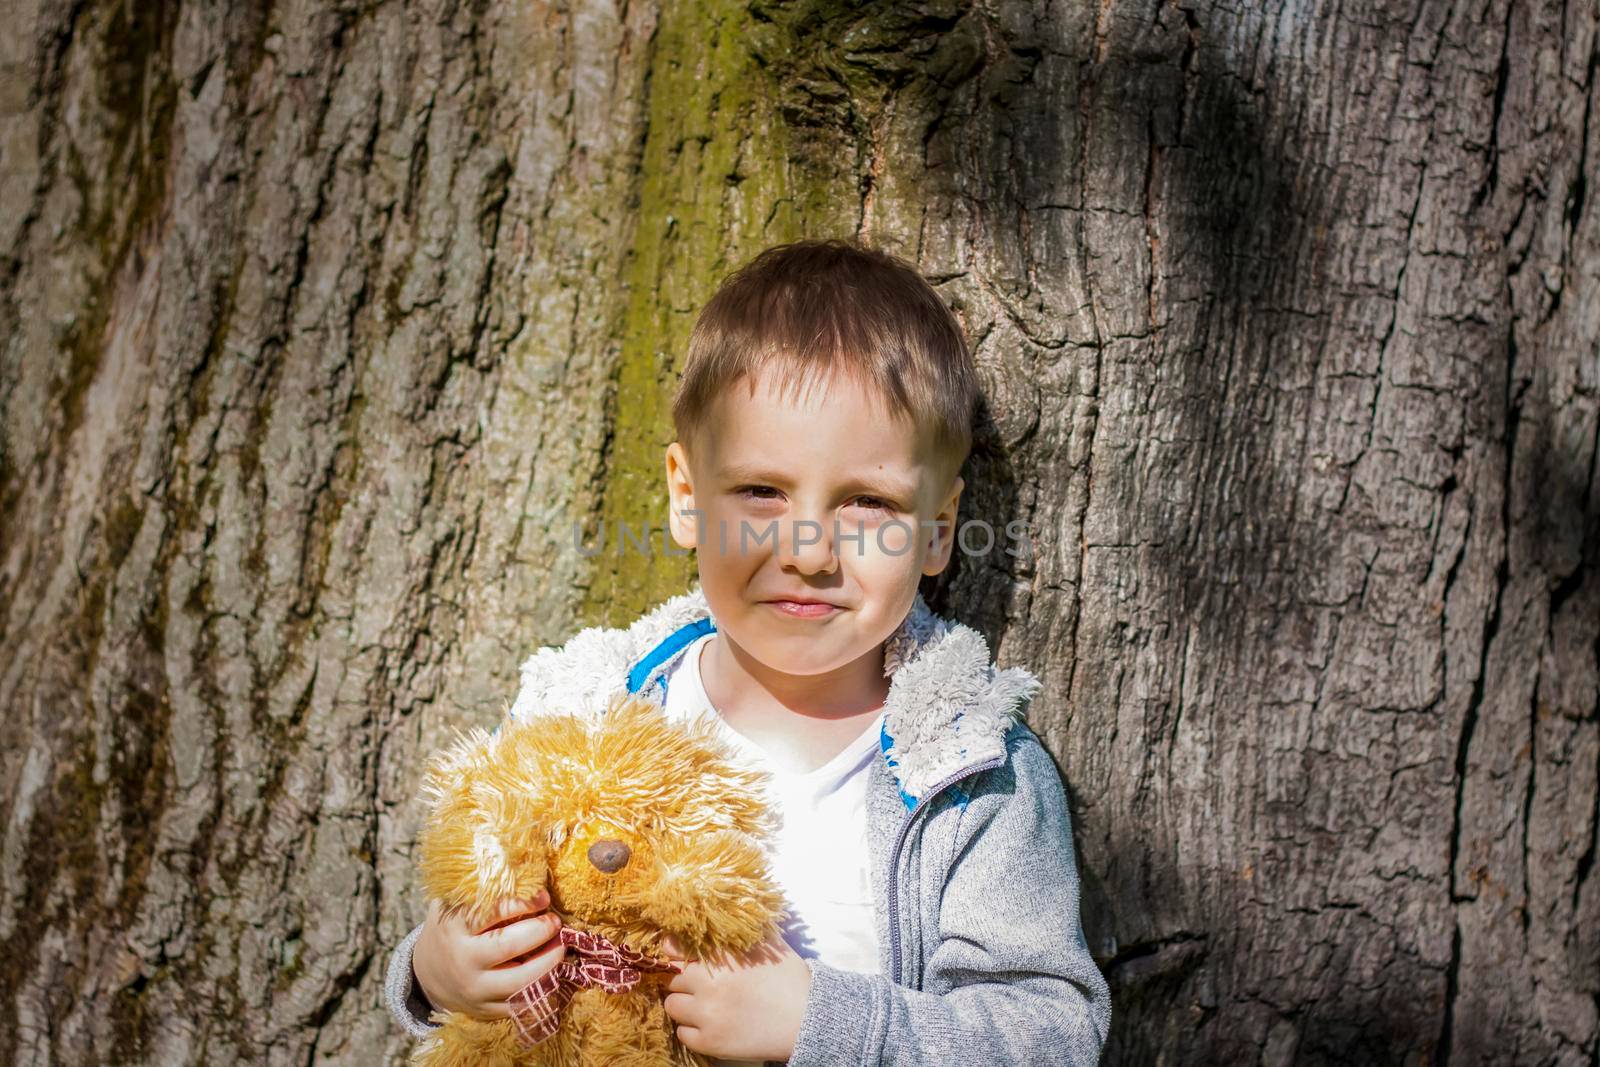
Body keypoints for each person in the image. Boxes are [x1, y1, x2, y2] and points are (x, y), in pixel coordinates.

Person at [383, 238, 1112, 1065]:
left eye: (868, 502)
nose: (808, 551)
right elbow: (479, 907)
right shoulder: (586, 714)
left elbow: (1050, 1037)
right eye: (762, 490)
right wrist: (435, 968)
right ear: (686, 497)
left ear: (938, 529)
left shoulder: (976, 775)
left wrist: (819, 1025)